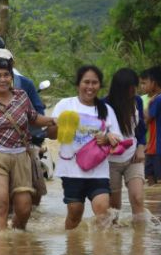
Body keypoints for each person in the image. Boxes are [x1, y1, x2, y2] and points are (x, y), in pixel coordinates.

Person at [0, 57, 56, 232]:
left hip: (21, 155)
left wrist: (52, 120)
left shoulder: (22, 96)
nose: (3, 80)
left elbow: (34, 118)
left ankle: (16, 238)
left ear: (11, 77)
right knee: (0, 205)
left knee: (24, 208)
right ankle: (1, 252)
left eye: (6, 75)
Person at [47, 65, 122, 230]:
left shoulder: (107, 110)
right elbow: (51, 135)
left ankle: (102, 254)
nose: (90, 86)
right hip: (71, 170)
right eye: (86, 82)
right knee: (75, 214)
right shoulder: (65, 104)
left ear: (99, 85)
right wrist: (58, 125)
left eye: (94, 83)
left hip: (98, 170)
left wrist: (108, 138)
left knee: (103, 212)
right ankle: (73, 249)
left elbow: (118, 138)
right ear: (78, 84)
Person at [104, 68, 147, 223]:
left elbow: (141, 128)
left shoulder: (137, 101)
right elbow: (96, 132)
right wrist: (106, 136)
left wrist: (141, 147)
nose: (133, 91)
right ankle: (114, 242)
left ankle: (139, 241)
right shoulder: (104, 104)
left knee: (138, 197)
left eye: (134, 87)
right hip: (110, 161)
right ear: (119, 88)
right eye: (130, 88)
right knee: (114, 207)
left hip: (133, 157)